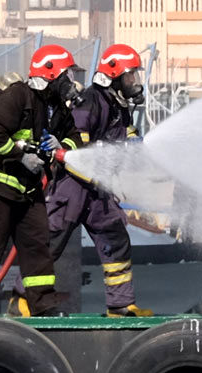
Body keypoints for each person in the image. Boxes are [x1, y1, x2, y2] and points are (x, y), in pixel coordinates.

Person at [0, 44, 76, 316]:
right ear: (50, 74)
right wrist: (21, 157)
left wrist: (61, 145)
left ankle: (43, 307)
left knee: (37, 246)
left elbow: (74, 139)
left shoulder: (56, 108)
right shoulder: (18, 96)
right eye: (66, 75)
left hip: (29, 189)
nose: (70, 82)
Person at [45, 43, 154, 317]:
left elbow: (124, 132)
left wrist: (133, 142)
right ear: (113, 76)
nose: (134, 82)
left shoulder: (119, 105)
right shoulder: (90, 101)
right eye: (130, 76)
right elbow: (76, 148)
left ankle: (120, 304)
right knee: (50, 242)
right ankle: (25, 300)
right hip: (73, 185)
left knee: (116, 238)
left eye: (135, 76)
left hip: (99, 189)